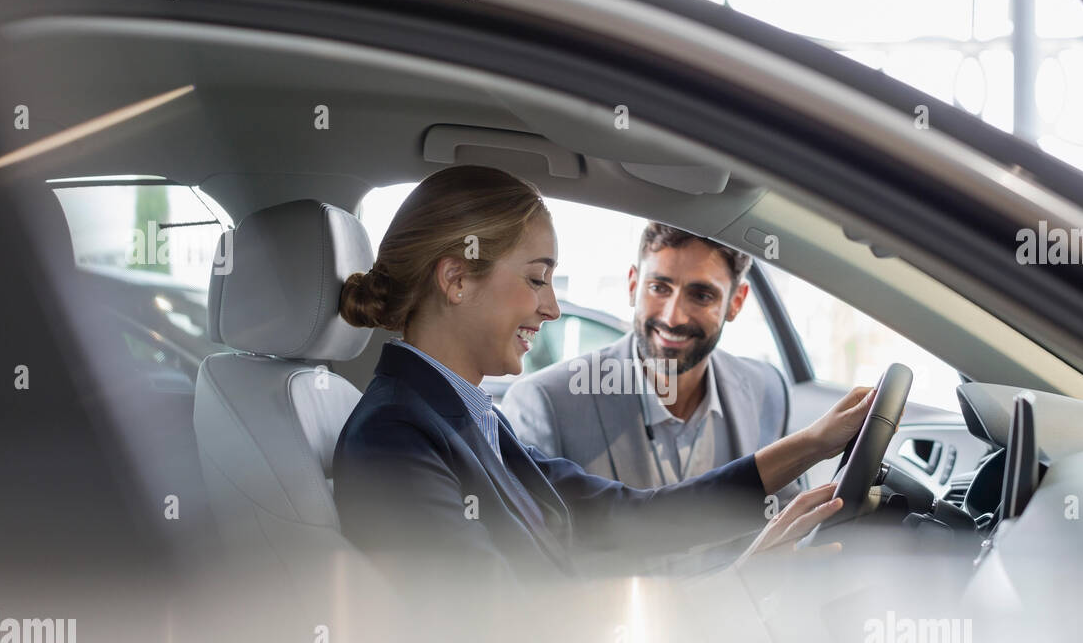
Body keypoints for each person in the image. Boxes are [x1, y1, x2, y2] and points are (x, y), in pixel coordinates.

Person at [332, 165, 873, 585]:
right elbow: (497, 633)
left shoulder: (469, 417)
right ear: (456, 279)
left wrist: (813, 444)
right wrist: (736, 587)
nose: (553, 309)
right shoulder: (395, 438)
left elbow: (626, 518)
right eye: (538, 279)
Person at [502, 223, 801, 502]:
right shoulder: (547, 404)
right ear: (633, 285)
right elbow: (537, 553)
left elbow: (787, 522)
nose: (673, 318)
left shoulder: (768, 390)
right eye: (659, 288)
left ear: (736, 302)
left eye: (701, 295)